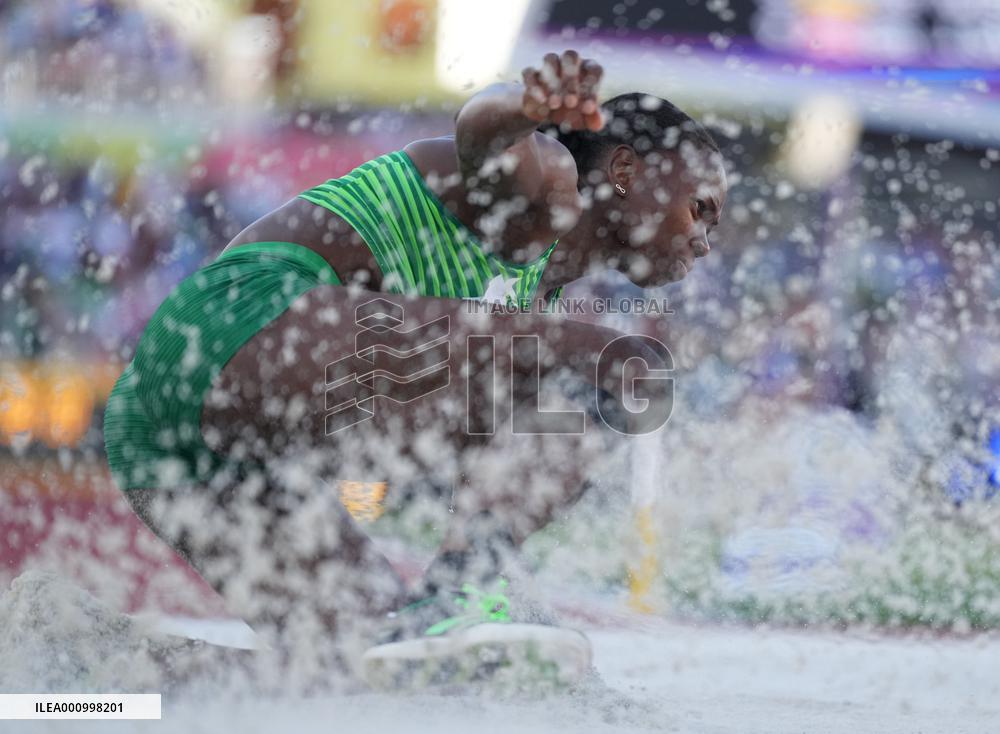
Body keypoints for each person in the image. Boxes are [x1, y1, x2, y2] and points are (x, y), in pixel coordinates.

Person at [103, 49, 727, 691]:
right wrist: (526, 106)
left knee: (378, 674)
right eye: (703, 206)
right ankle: (465, 587)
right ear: (625, 169)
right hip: (234, 327)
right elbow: (482, 127)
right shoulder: (553, 185)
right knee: (627, 367)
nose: (709, 236)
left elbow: (490, 479)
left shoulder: (540, 303)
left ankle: (90, 673)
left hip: (163, 440)